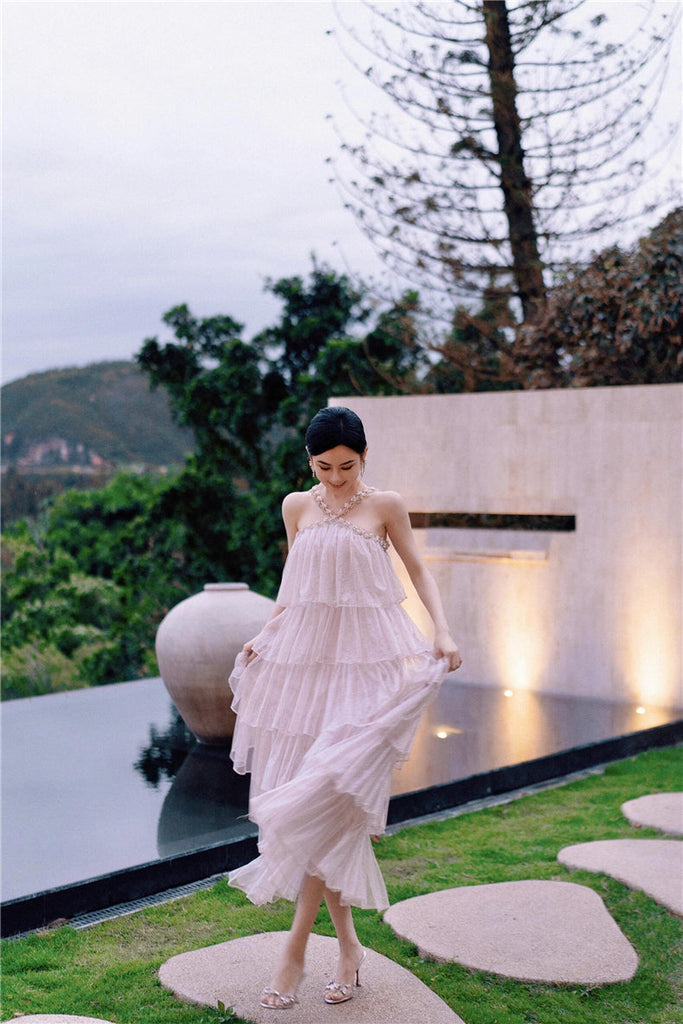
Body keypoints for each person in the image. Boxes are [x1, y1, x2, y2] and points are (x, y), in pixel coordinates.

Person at [227, 406, 462, 1010]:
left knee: (326, 796)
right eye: (324, 466)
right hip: (307, 672)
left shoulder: (386, 506)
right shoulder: (295, 507)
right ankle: (350, 949)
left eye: (347, 466)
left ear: (364, 457)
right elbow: (294, 589)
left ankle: (293, 956)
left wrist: (442, 630)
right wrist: (265, 635)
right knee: (324, 813)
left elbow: (418, 572)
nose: (336, 478)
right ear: (310, 461)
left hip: (366, 671)